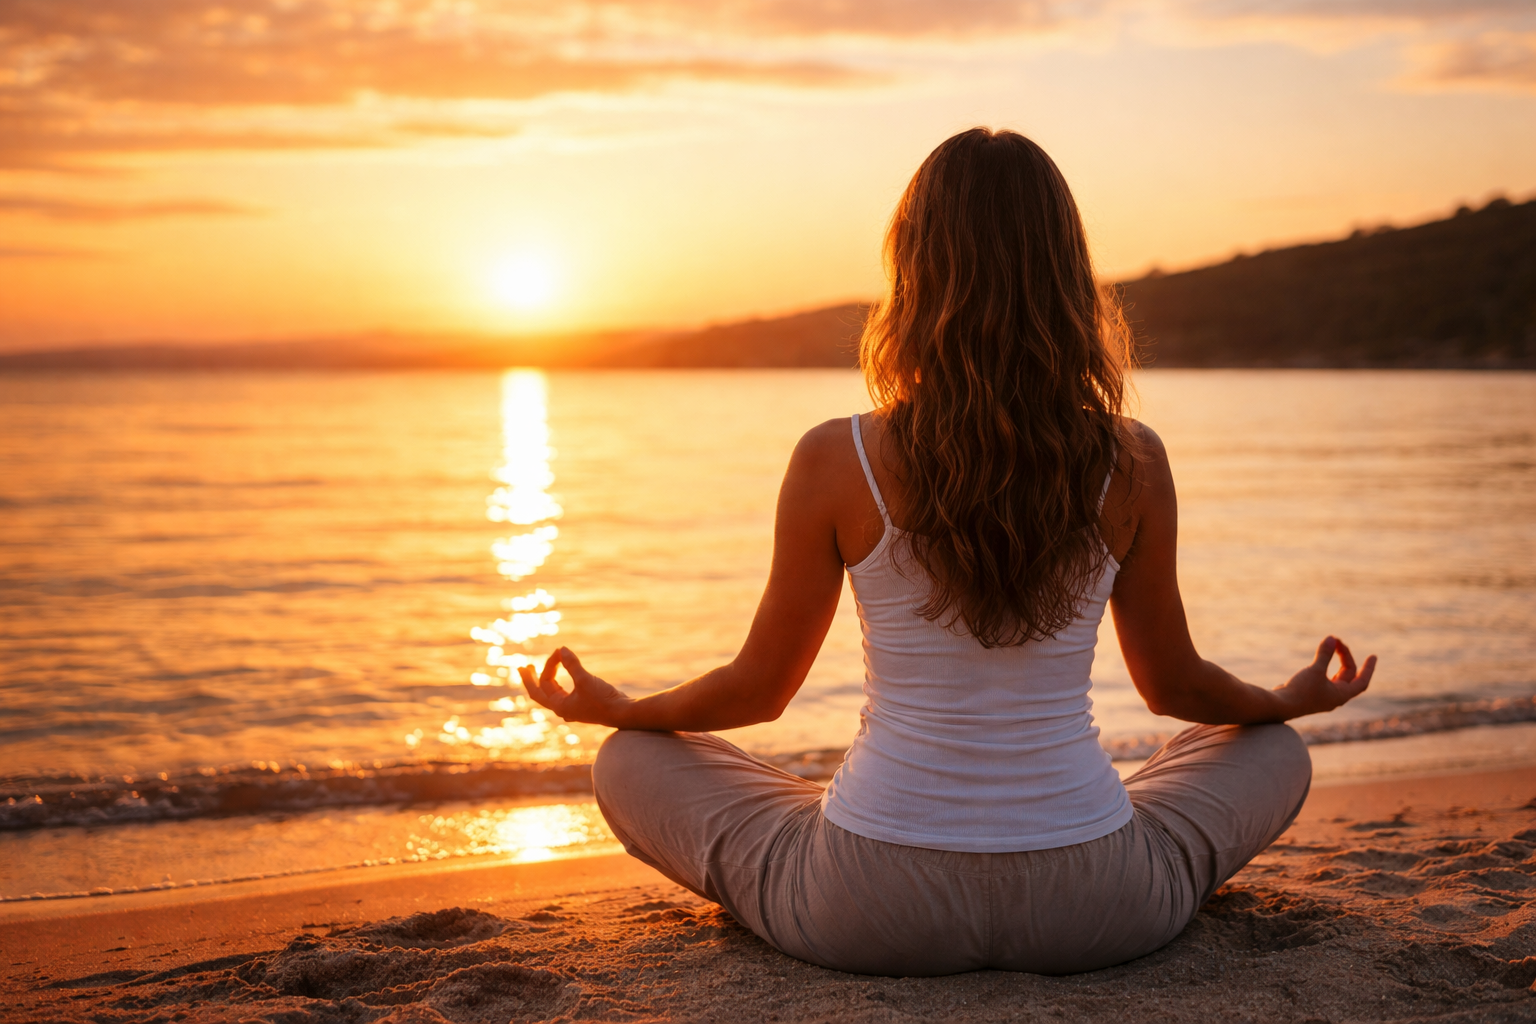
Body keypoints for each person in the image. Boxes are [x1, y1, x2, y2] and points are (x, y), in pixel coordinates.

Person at [519, 127, 1376, 977]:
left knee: (630, 760)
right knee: (1274, 747)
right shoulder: (1133, 459)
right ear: (1068, 276)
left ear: (913, 271)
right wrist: (1286, 697)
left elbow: (759, 692)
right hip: (1097, 905)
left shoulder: (836, 457)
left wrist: (619, 709)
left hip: (870, 903)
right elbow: (1174, 688)